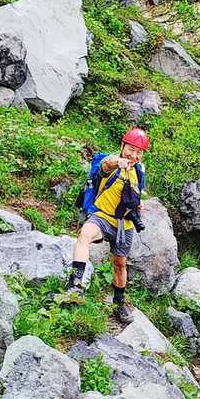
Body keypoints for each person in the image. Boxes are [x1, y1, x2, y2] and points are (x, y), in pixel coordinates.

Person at [63, 128, 149, 324]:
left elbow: (134, 193)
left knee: (120, 264)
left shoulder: (139, 170)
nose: (134, 155)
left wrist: (138, 204)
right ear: (122, 145)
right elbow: (105, 166)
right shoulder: (111, 162)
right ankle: (75, 284)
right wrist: (118, 162)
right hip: (102, 216)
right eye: (131, 149)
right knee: (85, 234)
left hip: (124, 224)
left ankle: (118, 304)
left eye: (139, 152)